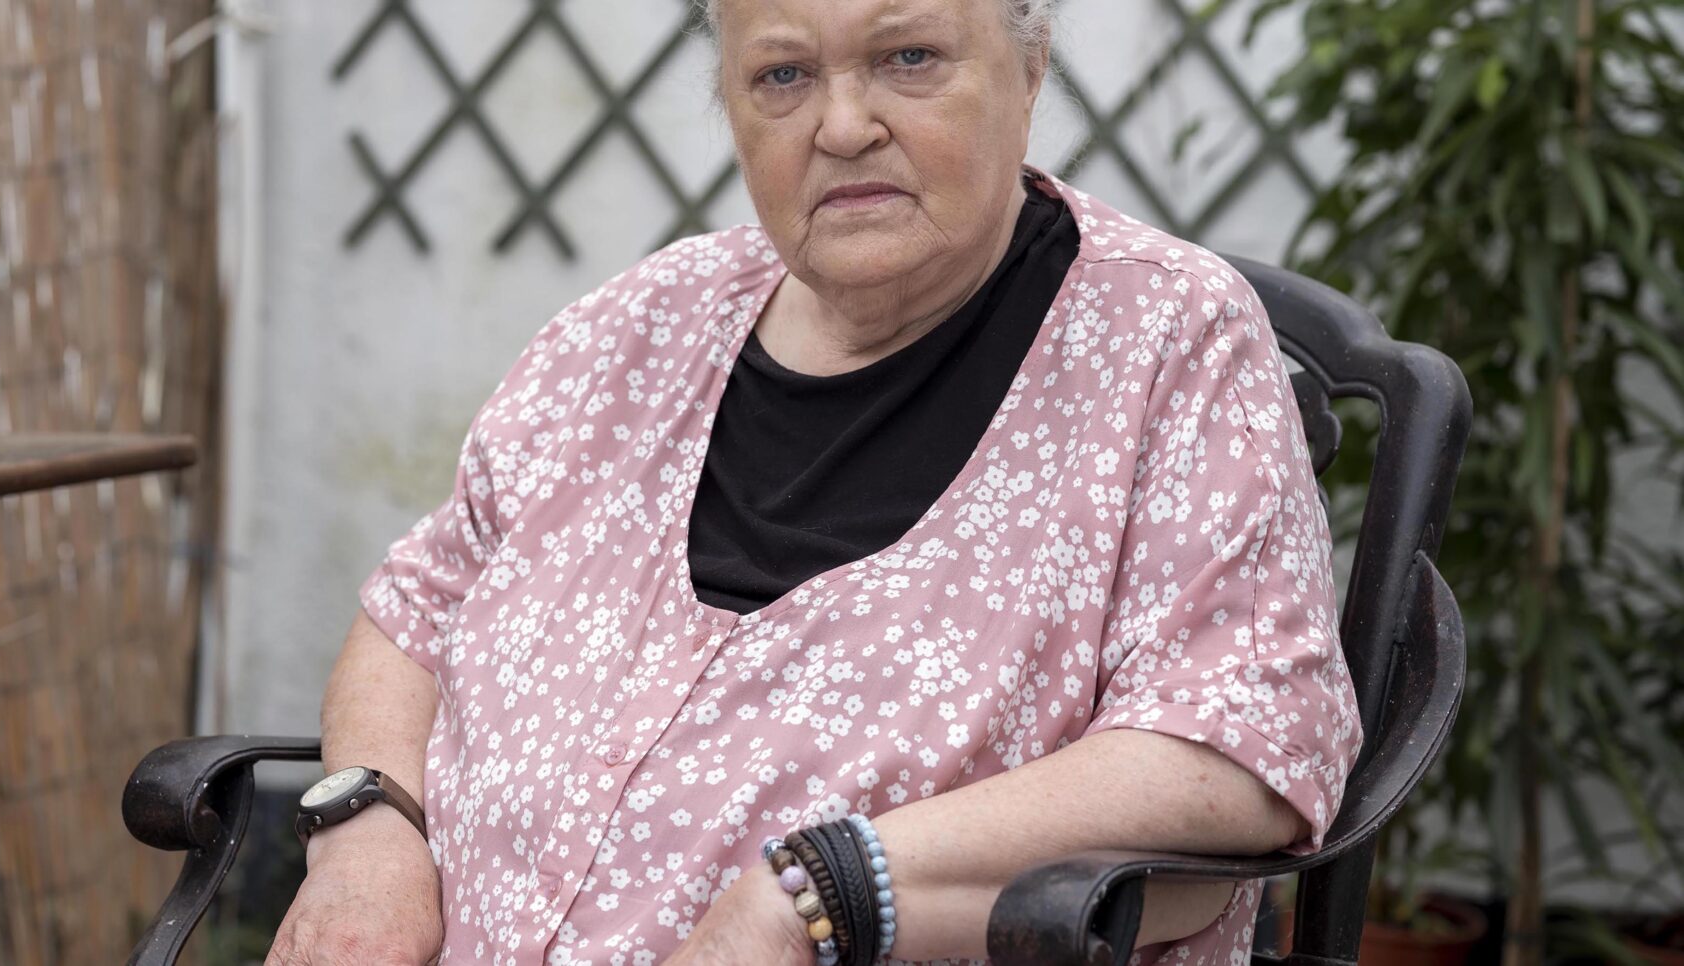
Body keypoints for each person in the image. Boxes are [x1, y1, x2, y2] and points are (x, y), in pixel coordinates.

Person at [264, 0, 1361, 963]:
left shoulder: (1166, 343)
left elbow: (1232, 758)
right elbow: (416, 611)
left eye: (909, 57)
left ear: (1029, 69)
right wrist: (365, 823)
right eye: (782, 74)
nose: (842, 125)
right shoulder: (633, 329)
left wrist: (819, 894)